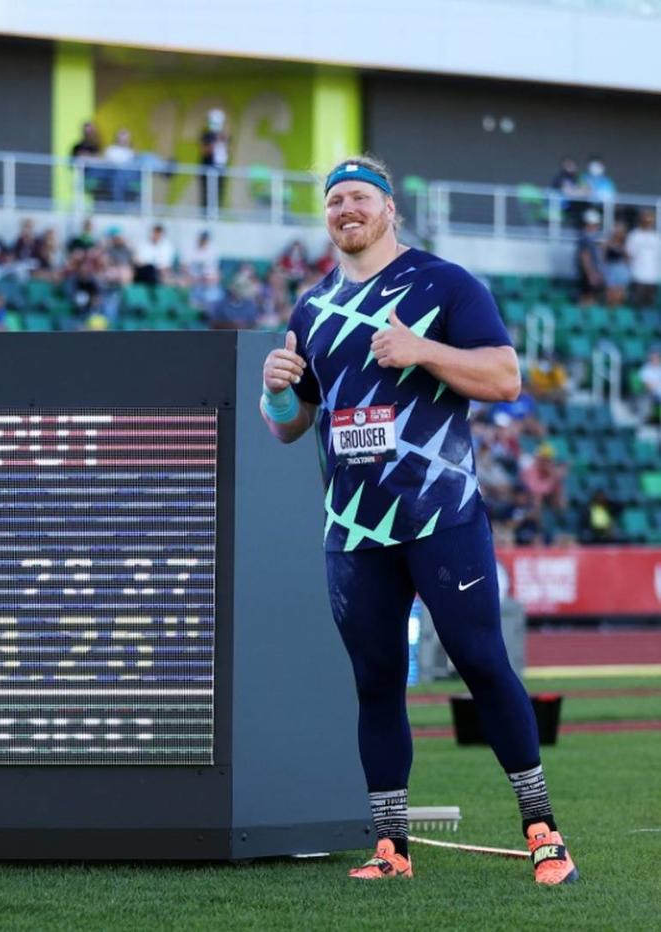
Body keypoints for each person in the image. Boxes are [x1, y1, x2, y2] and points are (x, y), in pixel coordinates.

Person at [259, 155, 577, 885]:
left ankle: (544, 835)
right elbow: (291, 426)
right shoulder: (310, 309)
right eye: (335, 199)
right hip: (354, 529)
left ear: (389, 209)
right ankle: (391, 848)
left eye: (360, 197)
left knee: (483, 665)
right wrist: (276, 393)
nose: (347, 208)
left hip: (440, 517)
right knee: (375, 683)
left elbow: (505, 377)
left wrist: (422, 350)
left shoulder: (444, 284)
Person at [626, 210, 661, 308]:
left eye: (650, 221)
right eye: (645, 220)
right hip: (638, 276)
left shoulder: (656, 237)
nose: (648, 223)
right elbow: (628, 255)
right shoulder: (634, 235)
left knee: (650, 306)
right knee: (637, 305)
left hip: (653, 278)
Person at [199, 108, 230, 214]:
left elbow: (226, 153)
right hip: (207, 168)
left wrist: (223, 140)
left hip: (220, 168)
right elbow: (204, 152)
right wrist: (216, 141)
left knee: (218, 193)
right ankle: (205, 214)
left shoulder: (224, 135)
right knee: (206, 193)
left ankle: (217, 214)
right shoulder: (206, 135)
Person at [575, 209, 604, 306]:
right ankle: (583, 318)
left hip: (593, 272)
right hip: (589, 272)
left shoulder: (593, 236)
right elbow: (585, 256)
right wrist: (591, 274)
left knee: (592, 296)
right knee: (586, 296)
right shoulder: (585, 237)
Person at [603, 221, 630, 308]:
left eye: (620, 231)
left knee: (620, 292)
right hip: (610, 268)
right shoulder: (607, 243)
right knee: (610, 292)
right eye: (616, 230)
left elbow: (628, 258)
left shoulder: (626, 244)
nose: (618, 233)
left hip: (622, 269)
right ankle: (610, 311)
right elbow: (604, 257)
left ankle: (618, 309)